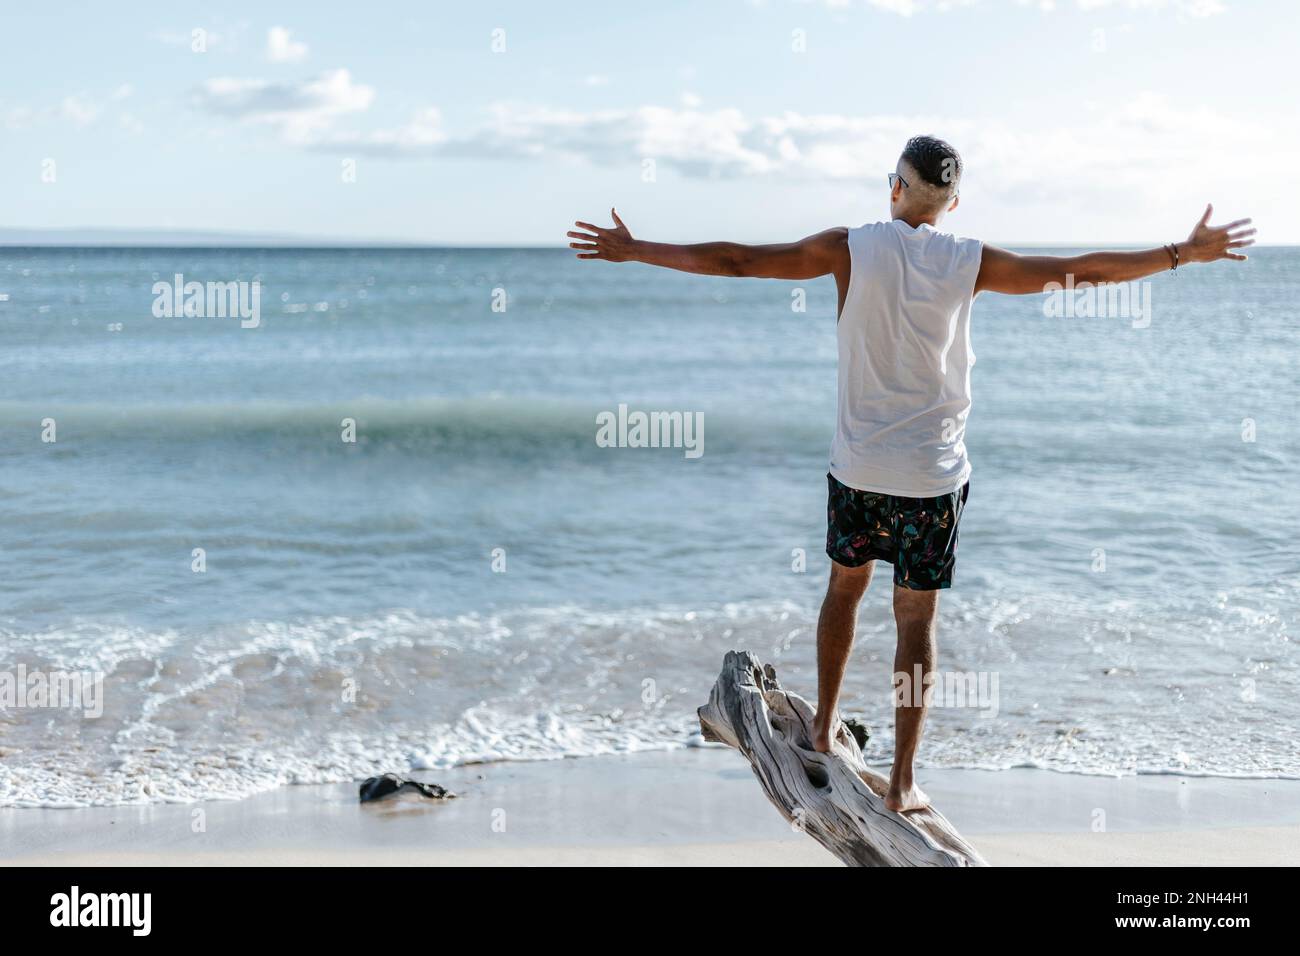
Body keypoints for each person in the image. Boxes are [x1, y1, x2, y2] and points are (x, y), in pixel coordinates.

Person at [567, 134, 1254, 811]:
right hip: (932, 475)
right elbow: (1080, 271)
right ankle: (902, 781)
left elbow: (739, 262)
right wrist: (1179, 255)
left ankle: (822, 726)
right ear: (953, 205)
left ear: (896, 186)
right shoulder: (969, 261)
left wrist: (636, 250)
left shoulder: (848, 247)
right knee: (915, 618)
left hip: (859, 467)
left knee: (844, 589)